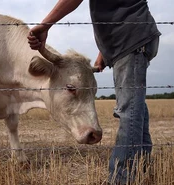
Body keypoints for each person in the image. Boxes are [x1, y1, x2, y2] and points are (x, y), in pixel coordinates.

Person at [27, 0, 161, 184]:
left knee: (129, 110)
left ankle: (121, 179)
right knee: (135, 107)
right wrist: (104, 51)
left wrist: (45, 25)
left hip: (131, 39)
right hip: (132, 38)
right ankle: (142, 167)